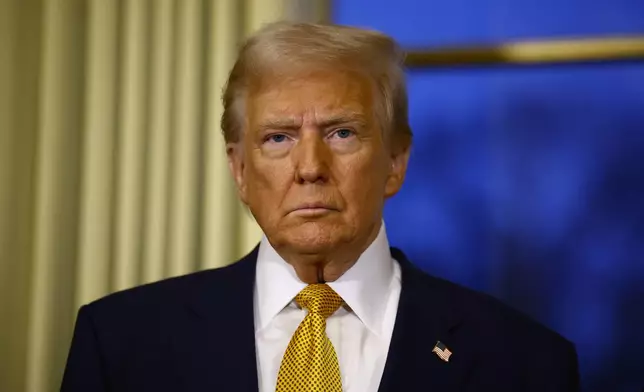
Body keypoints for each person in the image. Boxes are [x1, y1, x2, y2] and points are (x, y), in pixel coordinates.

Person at [61, 22, 580, 392]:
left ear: (396, 161)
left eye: (342, 132)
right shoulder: (121, 343)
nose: (310, 166)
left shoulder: (525, 363)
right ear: (240, 169)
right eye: (279, 137)